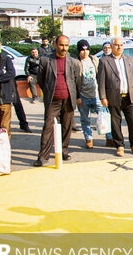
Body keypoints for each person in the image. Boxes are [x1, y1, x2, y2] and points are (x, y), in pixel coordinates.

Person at [33, 35, 82, 166]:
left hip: (68, 99)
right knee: (48, 127)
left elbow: (77, 81)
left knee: (67, 127)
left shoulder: (73, 62)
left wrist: (77, 97)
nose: (64, 48)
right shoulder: (45, 60)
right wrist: (49, 91)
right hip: (53, 100)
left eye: (66, 45)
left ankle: (64, 151)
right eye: (61, 45)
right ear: (55, 45)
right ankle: (43, 156)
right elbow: (41, 80)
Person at [97, 37, 133, 156]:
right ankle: (120, 145)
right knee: (115, 122)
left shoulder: (129, 60)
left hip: (130, 96)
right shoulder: (104, 61)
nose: (119, 47)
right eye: (117, 45)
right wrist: (103, 97)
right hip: (113, 96)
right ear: (112, 46)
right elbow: (101, 81)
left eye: (121, 45)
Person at [76, 39, 112, 149]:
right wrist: (77, 96)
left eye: (87, 49)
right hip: (83, 96)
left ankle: (109, 138)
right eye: (82, 50)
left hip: (96, 95)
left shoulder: (95, 60)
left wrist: (103, 95)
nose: (85, 52)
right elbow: (74, 81)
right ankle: (89, 139)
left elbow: (102, 77)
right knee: (85, 119)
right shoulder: (76, 63)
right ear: (79, 51)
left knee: (104, 117)